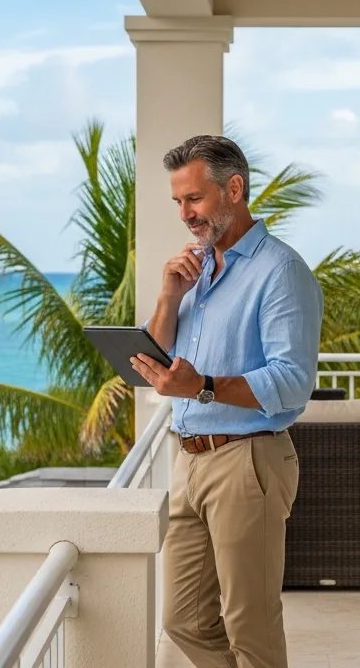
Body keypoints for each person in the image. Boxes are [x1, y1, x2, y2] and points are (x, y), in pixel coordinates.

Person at [128, 134, 323, 668]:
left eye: (194, 199)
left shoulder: (280, 271)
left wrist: (203, 386)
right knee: (183, 619)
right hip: (188, 459)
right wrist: (168, 295)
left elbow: (291, 381)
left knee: (249, 625)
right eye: (178, 202)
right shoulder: (197, 270)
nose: (185, 214)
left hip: (248, 459)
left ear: (234, 189)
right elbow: (160, 354)